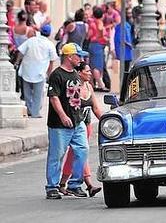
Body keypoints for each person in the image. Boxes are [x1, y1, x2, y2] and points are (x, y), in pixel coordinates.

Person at [44, 43, 90, 199]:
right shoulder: (57, 75)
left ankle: (75, 184)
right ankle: (52, 186)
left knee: (82, 150)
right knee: (56, 155)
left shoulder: (76, 75)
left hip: (78, 122)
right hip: (59, 125)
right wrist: (63, 116)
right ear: (69, 57)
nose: (81, 59)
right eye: (78, 56)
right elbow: (54, 98)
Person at [59, 62, 104, 197]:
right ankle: (88, 184)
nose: (90, 73)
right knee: (79, 153)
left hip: (87, 125)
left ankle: (63, 183)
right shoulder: (74, 87)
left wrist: (107, 121)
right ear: (79, 73)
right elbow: (71, 107)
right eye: (87, 71)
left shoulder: (89, 86)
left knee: (77, 154)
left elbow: (96, 108)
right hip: (76, 125)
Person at [15, 24, 58, 118]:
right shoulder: (50, 44)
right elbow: (51, 61)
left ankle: (29, 110)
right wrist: (49, 73)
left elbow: (20, 52)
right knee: (38, 94)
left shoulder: (31, 41)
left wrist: (17, 63)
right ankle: (35, 113)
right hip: (40, 72)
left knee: (27, 93)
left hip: (26, 70)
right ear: (49, 33)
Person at [87, 7, 109, 91]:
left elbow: (88, 35)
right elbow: (100, 32)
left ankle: (93, 84)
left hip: (93, 45)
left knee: (93, 65)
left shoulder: (92, 23)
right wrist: (104, 38)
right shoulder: (99, 23)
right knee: (97, 66)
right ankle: (101, 84)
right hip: (98, 45)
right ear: (102, 15)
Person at [114, 9, 134, 84]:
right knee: (124, 69)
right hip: (124, 51)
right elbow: (121, 39)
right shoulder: (121, 26)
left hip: (127, 52)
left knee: (126, 69)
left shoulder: (127, 25)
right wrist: (130, 45)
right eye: (128, 13)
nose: (130, 15)